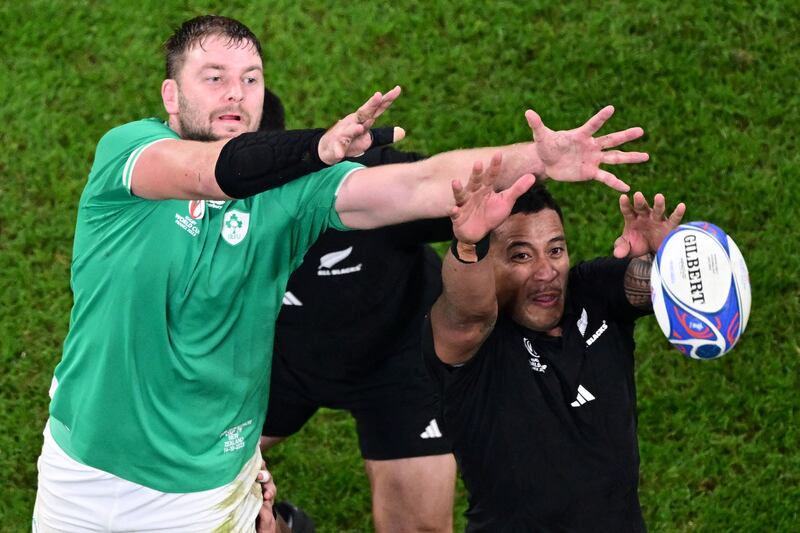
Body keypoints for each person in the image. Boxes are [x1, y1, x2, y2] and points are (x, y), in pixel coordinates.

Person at [33, 14, 649, 532]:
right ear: (172, 95)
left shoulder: (295, 196)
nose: (234, 94)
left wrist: (535, 156)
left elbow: (421, 181)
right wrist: (317, 150)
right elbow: (208, 172)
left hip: (204, 489)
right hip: (82, 466)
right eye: (213, 78)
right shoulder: (130, 154)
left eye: (250, 79)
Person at [424, 156, 685, 531]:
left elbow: (648, 288)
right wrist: (468, 247)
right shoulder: (475, 346)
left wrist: (663, 260)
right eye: (521, 255)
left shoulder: (591, 292)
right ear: (487, 264)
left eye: (555, 250)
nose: (546, 272)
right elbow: (467, 311)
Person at [259, 89, 456, 533]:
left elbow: (451, 191)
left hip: (400, 362)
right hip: (277, 362)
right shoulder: (185, 209)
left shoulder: (360, 188)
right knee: (172, 488)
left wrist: (539, 159)